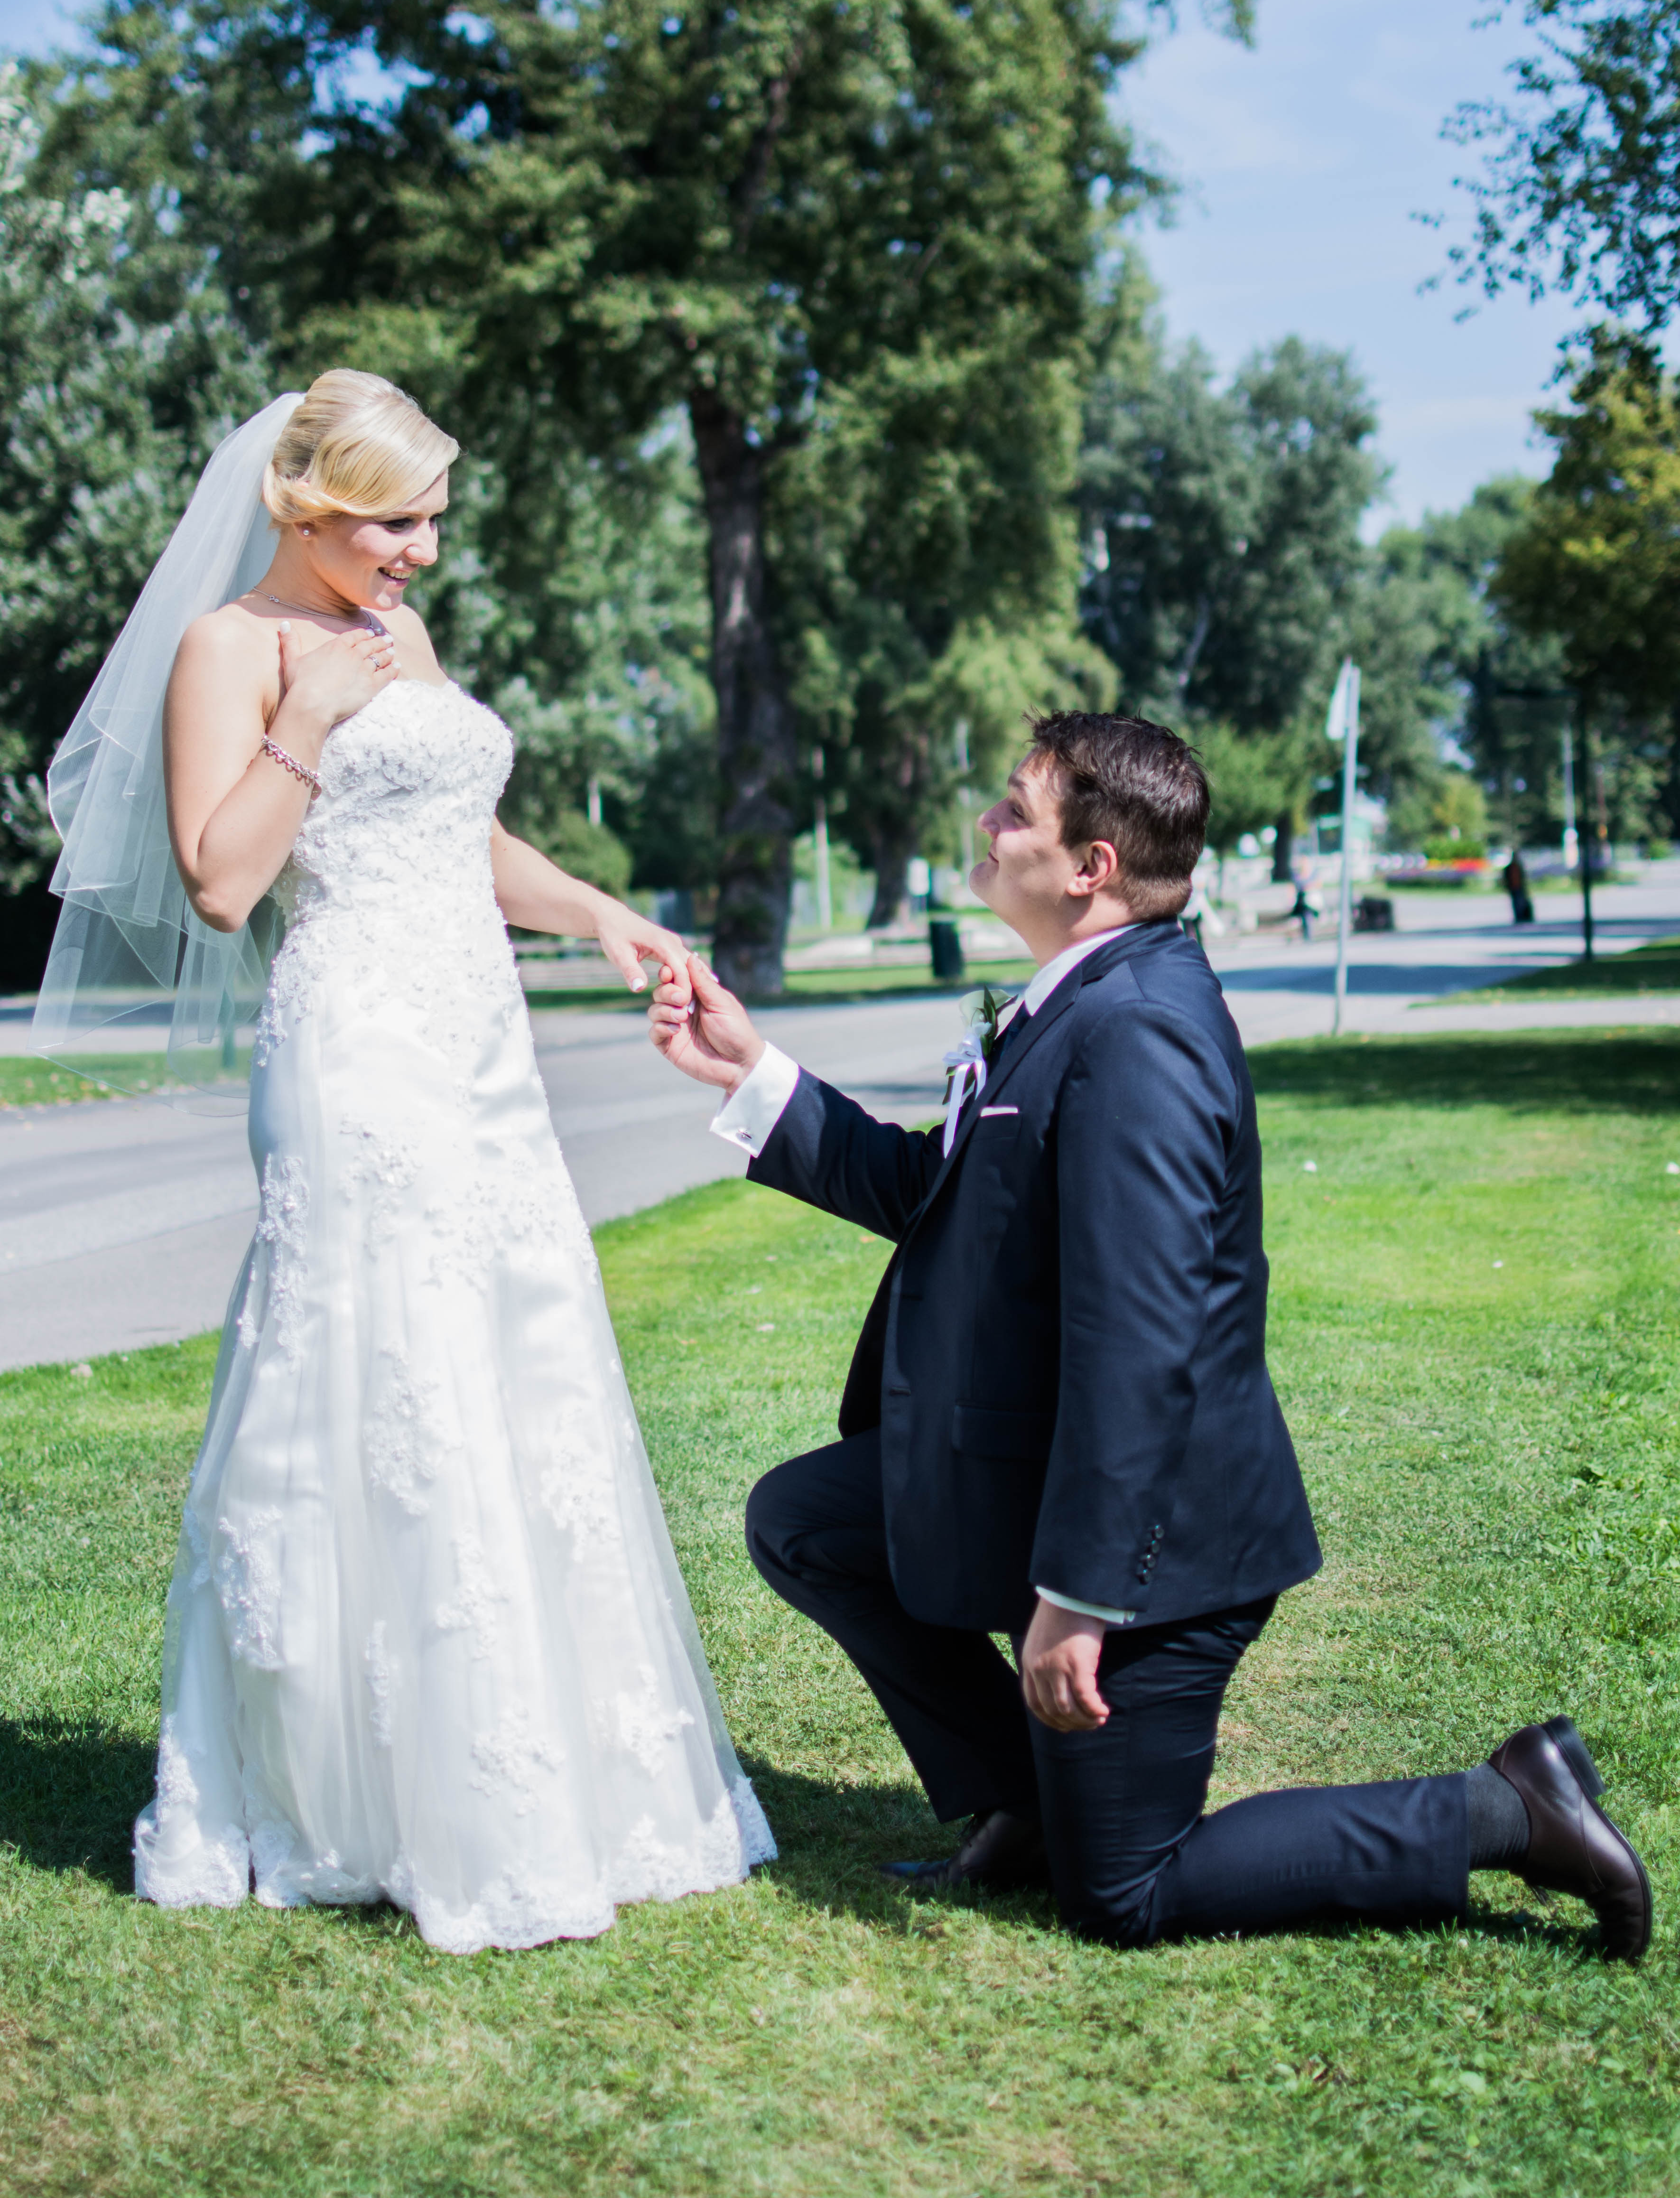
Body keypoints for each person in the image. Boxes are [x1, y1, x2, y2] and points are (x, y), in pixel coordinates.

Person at [648, 710, 1651, 1961]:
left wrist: (1077, 1595)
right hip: (1046, 1477)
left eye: (1013, 807)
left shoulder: (1138, 1035)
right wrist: (753, 1071)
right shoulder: (1083, 997)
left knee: (1120, 1892)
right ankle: (1025, 1798)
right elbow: (940, 1191)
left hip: (1161, 1550)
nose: (985, 823)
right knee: (809, 1517)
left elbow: (1141, 1340)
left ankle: (1503, 1804)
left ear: (1090, 865)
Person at [34, 374, 773, 1954]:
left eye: (434, 519)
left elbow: (454, 829)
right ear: (304, 505)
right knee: (374, 1372)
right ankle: (344, 1787)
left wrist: (598, 913)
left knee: (513, 1355)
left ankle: (534, 1756)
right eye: (396, 520)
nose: (424, 551)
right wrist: (301, 724)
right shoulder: (231, 649)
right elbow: (223, 880)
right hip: (352, 1045)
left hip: (478, 1049)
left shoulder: (401, 637)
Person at [1504, 850, 1536, 924]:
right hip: (1513, 888)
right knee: (1516, 903)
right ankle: (1519, 917)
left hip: (1519, 888)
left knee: (1521, 902)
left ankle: (1523, 917)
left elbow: (1523, 878)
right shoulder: (1511, 867)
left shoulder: (1518, 867)